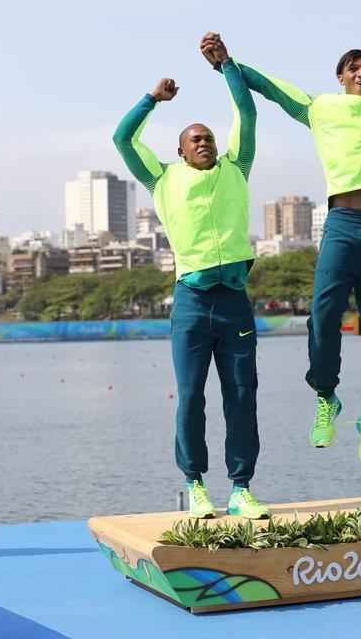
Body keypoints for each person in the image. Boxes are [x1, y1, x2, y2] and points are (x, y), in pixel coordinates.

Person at [201, 0, 361, 467]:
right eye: (353, 67)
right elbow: (269, 88)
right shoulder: (320, 108)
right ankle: (325, 396)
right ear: (340, 77)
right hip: (340, 227)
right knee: (323, 316)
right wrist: (227, 64)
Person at [113, 44, 270, 520]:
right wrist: (151, 100)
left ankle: (241, 488)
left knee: (242, 395)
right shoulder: (161, 179)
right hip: (191, 303)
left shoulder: (236, 169)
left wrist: (226, 66)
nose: (203, 142)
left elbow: (246, 111)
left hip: (235, 302)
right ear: (179, 150)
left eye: (207, 138)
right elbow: (122, 139)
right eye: (193, 139)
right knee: (191, 398)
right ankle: (195, 485)